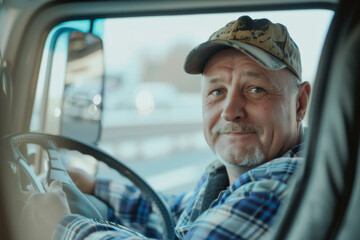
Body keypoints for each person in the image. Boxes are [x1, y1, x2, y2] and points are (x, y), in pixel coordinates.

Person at [20, 15, 311, 240]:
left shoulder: (280, 185)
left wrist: (60, 226)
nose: (230, 111)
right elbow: (174, 214)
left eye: (256, 89)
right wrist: (95, 185)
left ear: (300, 103)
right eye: (217, 91)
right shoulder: (231, 180)